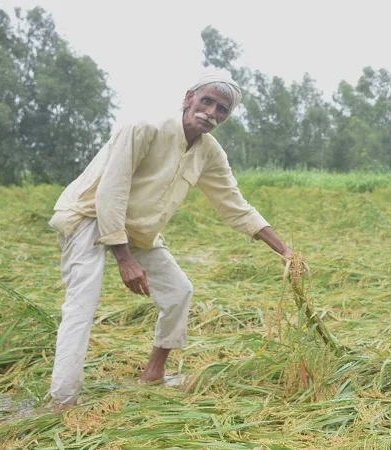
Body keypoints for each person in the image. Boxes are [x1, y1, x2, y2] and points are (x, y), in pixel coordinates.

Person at [47, 69, 294, 412]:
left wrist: (283, 250)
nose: (211, 111)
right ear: (188, 98)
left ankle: (154, 372)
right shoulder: (145, 127)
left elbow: (234, 205)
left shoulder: (209, 152)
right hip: (89, 216)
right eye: (206, 100)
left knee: (179, 292)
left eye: (222, 109)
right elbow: (110, 191)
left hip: (139, 228)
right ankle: (63, 400)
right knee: (81, 306)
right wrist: (124, 258)